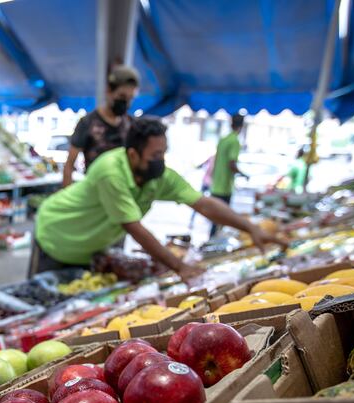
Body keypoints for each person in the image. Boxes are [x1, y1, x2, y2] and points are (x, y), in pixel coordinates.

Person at [30, 118, 286, 281]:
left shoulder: (158, 175)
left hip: (89, 249)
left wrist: (251, 228)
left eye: (164, 153)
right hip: (56, 236)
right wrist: (179, 267)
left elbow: (203, 203)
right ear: (132, 154)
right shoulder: (110, 171)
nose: (161, 160)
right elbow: (134, 228)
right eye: (155, 154)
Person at [62, 65, 140, 187]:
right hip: (95, 193)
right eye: (122, 97)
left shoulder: (132, 125)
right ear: (109, 91)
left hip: (124, 191)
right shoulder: (88, 123)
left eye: (130, 98)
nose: (126, 103)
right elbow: (69, 166)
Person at [209, 114, 247, 238]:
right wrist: (243, 174)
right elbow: (232, 164)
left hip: (215, 184)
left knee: (215, 219)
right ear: (241, 126)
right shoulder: (234, 141)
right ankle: (215, 244)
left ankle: (211, 242)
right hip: (225, 187)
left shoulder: (223, 139)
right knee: (222, 219)